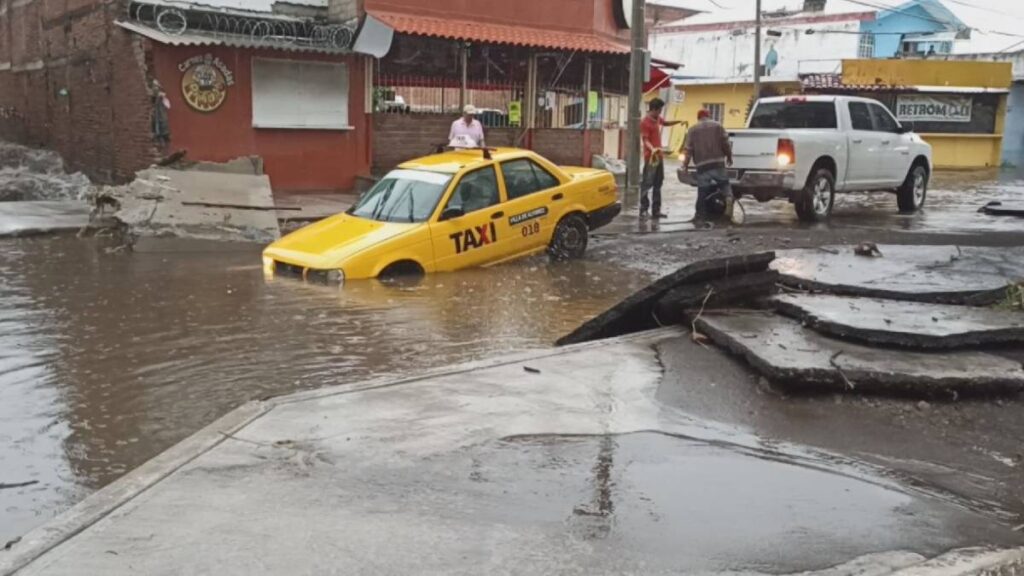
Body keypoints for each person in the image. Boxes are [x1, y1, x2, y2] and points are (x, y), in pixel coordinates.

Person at [683, 108, 734, 224]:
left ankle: (699, 216)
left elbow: (688, 150)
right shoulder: (718, 126)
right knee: (725, 186)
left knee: (702, 192)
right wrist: (729, 157)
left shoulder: (692, 130)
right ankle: (728, 208)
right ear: (709, 116)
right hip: (718, 163)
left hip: (702, 166)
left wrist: (685, 165)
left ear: (698, 117)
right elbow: (726, 144)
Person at [640, 98, 683, 219]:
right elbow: (645, 139)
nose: (660, 113)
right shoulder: (645, 122)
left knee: (658, 183)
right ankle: (643, 210)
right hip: (651, 157)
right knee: (647, 183)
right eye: (659, 110)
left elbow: (665, 123)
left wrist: (679, 121)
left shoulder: (656, 118)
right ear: (653, 109)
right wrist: (652, 149)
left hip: (659, 156)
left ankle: (656, 210)